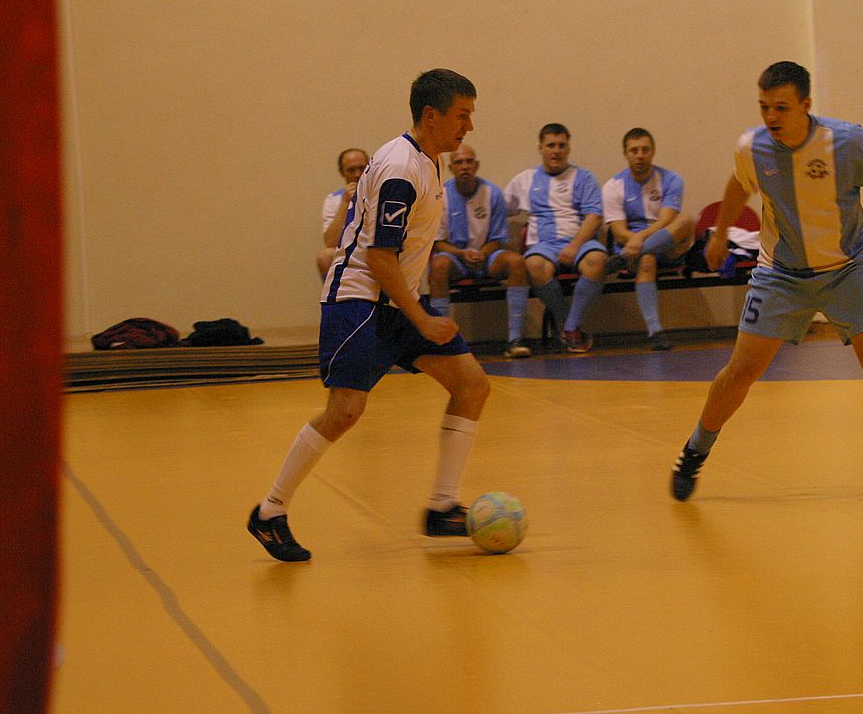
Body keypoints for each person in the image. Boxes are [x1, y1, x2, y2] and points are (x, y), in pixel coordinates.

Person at [249, 69, 486, 562]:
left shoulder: (429, 159)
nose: (468, 126)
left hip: (397, 299)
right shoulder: (401, 168)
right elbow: (379, 257)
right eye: (462, 115)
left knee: (472, 385)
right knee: (345, 412)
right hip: (360, 302)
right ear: (431, 115)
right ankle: (270, 511)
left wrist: (414, 310)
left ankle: (442, 507)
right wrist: (422, 318)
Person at [670, 61, 863, 500]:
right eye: (764, 107)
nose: (771, 117)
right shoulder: (752, 147)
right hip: (781, 274)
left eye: (781, 108)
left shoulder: (847, 142)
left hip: (848, 268)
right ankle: (694, 452)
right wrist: (721, 234)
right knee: (741, 371)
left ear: (806, 105)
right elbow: (739, 185)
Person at [504, 123, 606, 353]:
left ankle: (570, 326)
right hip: (543, 246)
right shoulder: (525, 180)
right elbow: (499, 209)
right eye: (551, 145)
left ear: (568, 148)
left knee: (598, 261)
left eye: (561, 145)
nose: (556, 151)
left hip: (578, 243)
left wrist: (574, 246)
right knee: (534, 264)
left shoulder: (584, 177)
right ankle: (567, 325)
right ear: (541, 148)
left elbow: (594, 217)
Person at [429, 144, 533, 358]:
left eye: (469, 161)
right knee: (438, 265)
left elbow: (498, 238)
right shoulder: (440, 196)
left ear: (476, 166)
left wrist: (482, 253)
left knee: (516, 262)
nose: (464, 166)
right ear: (451, 168)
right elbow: (437, 242)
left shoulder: (492, 193)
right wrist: (463, 254)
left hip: (488, 256)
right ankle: (442, 345)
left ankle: (515, 339)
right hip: (455, 258)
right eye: (459, 162)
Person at [601, 128, 696, 351]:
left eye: (645, 150)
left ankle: (623, 258)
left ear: (653, 152)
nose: (640, 155)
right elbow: (619, 232)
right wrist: (637, 243)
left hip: (663, 245)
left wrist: (640, 240)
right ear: (625, 153)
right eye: (634, 150)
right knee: (646, 259)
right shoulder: (613, 186)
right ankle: (655, 331)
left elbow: (666, 220)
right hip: (632, 247)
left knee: (685, 221)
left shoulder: (671, 179)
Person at [316, 147, 370, 278]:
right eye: (351, 170)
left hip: (376, 249)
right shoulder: (333, 199)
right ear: (342, 173)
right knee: (325, 257)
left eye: (362, 168)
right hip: (348, 251)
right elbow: (331, 243)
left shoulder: (383, 193)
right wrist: (346, 203)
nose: (357, 174)